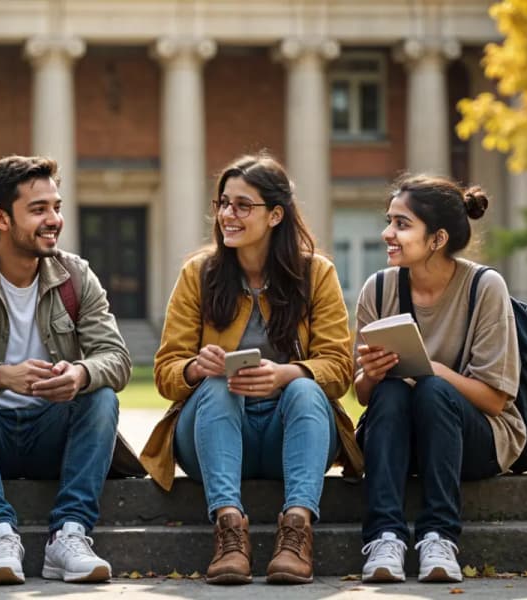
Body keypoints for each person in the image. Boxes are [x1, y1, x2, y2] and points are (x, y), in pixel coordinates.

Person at [139, 153, 363, 585]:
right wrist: (194, 369)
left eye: (243, 205)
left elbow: (339, 368)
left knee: (305, 390)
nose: (228, 214)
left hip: (291, 432)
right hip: (215, 432)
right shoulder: (198, 274)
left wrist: (288, 373)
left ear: (275, 214)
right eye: (223, 203)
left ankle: (296, 530)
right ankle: (228, 530)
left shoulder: (316, 274)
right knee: (219, 387)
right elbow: (167, 371)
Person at [0, 155, 132, 585]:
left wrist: (80, 375)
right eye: (38, 210)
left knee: (101, 394)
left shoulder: (75, 275)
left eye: (56, 206)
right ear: (1, 218)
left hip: (51, 431)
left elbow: (116, 358)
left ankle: (69, 536)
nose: (54, 219)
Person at [354, 174, 521, 584]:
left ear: (437, 239)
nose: (387, 233)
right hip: (401, 435)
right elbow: (362, 397)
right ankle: (385, 537)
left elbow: (496, 400)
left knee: (431, 389)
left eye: (401, 224)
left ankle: (440, 537)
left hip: (476, 437)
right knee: (391, 389)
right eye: (389, 221)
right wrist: (371, 377)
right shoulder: (377, 289)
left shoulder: (484, 287)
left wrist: (435, 369)